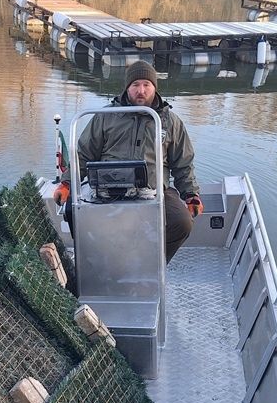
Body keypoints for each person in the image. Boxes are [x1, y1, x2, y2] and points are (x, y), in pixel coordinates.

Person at [53, 60, 203, 263]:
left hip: (155, 189)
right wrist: (67, 182)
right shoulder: (105, 116)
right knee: (73, 210)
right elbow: (84, 154)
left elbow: (183, 164)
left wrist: (191, 194)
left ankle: (151, 263)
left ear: (154, 88)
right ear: (127, 87)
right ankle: (99, 262)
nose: (141, 90)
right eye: (135, 85)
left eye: (146, 85)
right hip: (108, 189)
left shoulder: (170, 121)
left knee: (182, 222)